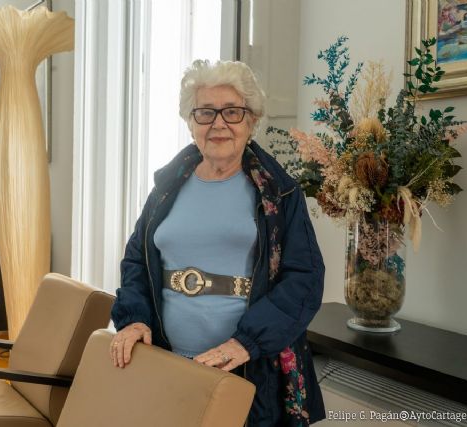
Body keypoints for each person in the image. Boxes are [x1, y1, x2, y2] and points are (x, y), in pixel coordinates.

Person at [110, 59, 326, 426]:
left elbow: (304, 278)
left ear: (252, 120)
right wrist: (133, 318)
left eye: (232, 111)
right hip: (167, 360)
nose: (219, 123)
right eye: (206, 112)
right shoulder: (166, 188)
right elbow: (136, 260)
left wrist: (246, 343)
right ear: (190, 122)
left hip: (249, 368)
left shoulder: (280, 192)